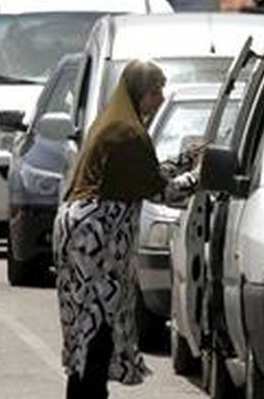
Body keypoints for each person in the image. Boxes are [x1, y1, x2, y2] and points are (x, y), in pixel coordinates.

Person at [53, 59, 179, 399]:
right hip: (96, 240)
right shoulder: (127, 132)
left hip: (87, 234)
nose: (161, 98)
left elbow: (146, 174)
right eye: (156, 91)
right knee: (98, 326)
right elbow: (160, 190)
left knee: (89, 327)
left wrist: (182, 164)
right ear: (140, 92)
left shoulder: (116, 122)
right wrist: (200, 177)